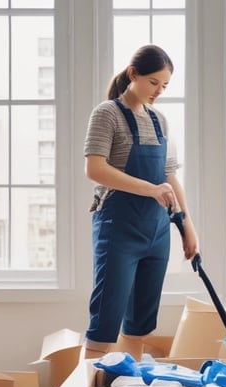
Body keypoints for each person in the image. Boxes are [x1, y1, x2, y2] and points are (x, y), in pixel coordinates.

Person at [82, 44, 199, 361]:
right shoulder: (107, 114)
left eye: (164, 85)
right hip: (118, 229)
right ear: (134, 74)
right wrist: (149, 189)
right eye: (153, 83)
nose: (158, 91)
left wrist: (188, 228)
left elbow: (170, 177)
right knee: (105, 323)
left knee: (138, 325)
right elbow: (95, 169)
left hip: (157, 232)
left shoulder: (160, 120)